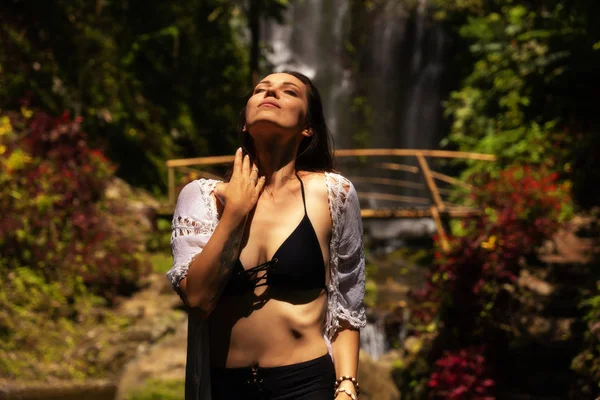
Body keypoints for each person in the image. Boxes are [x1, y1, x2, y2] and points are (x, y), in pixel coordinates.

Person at [167, 71, 366, 400]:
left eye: (288, 91)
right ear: (245, 122)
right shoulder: (202, 198)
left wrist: (346, 387)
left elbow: (348, 307)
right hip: (225, 387)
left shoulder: (333, 194)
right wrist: (235, 212)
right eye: (261, 89)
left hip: (307, 384)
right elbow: (198, 299)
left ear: (308, 128)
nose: (270, 93)